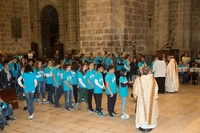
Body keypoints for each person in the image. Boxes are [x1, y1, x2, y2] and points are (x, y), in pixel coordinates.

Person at [133, 66, 159, 132]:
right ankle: (150, 126)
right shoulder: (153, 80)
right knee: (150, 111)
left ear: (141, 72)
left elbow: (135, 91)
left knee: (142, 112)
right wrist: (154, 96)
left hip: (142, 100)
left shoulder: (139, 80)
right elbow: (156, 90)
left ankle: (142, 126)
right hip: (151, 100)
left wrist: (135, 96)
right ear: (148, 72)